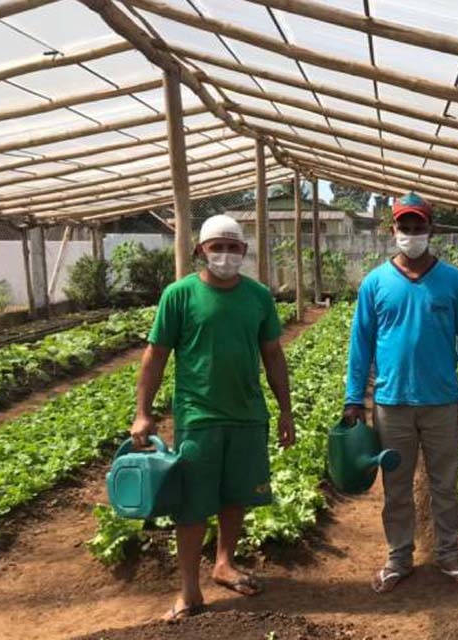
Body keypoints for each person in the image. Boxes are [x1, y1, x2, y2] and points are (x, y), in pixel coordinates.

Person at [131, 214, 295, 620]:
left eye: (232, 246)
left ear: (243, 250)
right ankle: (189, 590)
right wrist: (142, 413)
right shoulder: (180, 295)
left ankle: (224, 563)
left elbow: (273, 354)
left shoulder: (258, 297)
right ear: (201, 250)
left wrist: (285, 409)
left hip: (247, 415)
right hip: (198, 416)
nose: (224, 254)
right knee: (192, 504)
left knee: (235, 496)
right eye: (216, 246)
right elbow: (155, 356)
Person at [344, 192, 458, 594]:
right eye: (405, 226)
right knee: (397, 487)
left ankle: (450, 553)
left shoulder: (453, 281)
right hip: (392, 404)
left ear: (431, 229)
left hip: (442, 402)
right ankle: (399, 557)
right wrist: (355, 397)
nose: (412, 233)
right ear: (393, 230)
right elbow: (361, 344)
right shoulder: (376, 283)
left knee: (445, 484)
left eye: (418, 226)